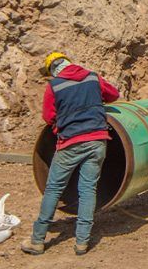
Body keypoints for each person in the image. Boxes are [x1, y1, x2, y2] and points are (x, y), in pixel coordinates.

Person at [21, 52, 120, 256]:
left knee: (54, 189)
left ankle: (38, 240)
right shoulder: (92, 77)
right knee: (88, 189)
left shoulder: (55, 86)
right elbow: (113, 95)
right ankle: (82, 242)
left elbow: (48, 116)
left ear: (53, 69)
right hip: (97, 140)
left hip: (70, 143)